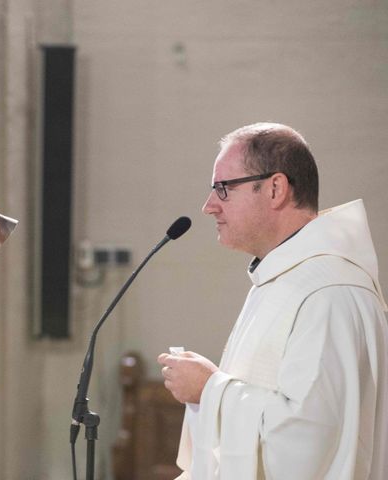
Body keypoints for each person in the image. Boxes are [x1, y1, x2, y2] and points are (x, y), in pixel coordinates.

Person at [158, 122, 388, 479]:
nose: (208, 207)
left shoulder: (329, 292)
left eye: (223, 189)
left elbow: (309, 441)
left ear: (275, 188)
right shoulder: (280, 280)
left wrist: (210, 389)